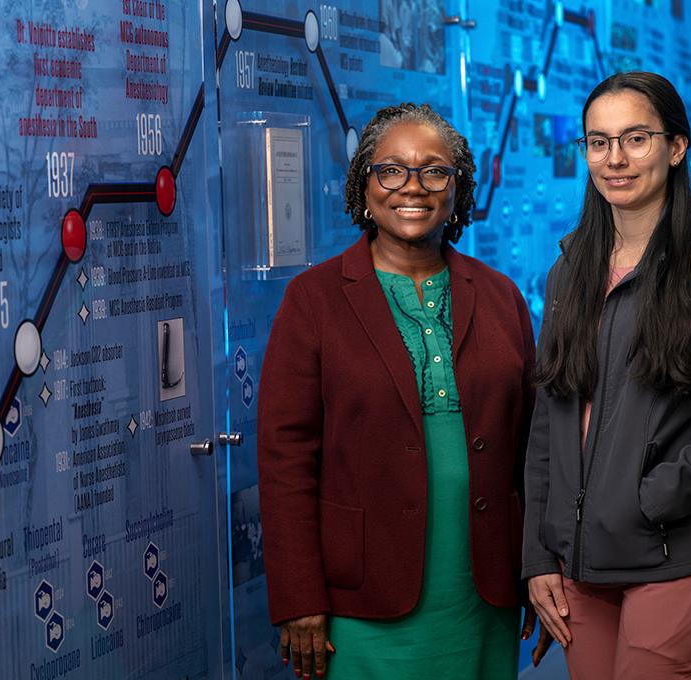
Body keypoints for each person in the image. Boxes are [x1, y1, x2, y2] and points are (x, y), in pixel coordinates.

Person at [257, 102, 547, 680]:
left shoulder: (500, 296)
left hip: (482, 587)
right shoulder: (313, 300)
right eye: (391, 170)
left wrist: (537, 567)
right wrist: (298, 597)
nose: (412, 187)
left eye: (434, 171)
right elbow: (284, 457)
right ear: (364, 187)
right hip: (362, 596)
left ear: (457, 192)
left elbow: (534, 451)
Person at [522, 71, 691, 680]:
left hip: (676, 555)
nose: (614, 159)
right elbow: (549, 426)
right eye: (598, 141)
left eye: (635, 138)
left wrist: (652, 498)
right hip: (581, 566)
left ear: (676, 146)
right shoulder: (569, 275)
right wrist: (540, 550)